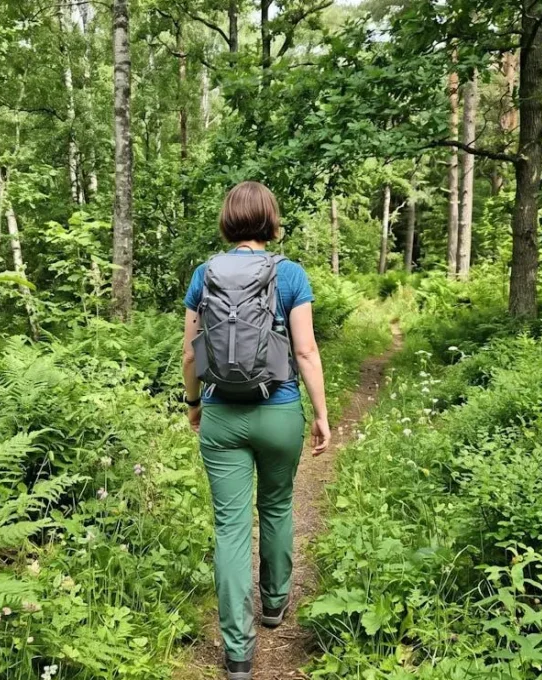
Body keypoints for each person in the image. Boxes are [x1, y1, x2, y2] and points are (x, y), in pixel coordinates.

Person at [181, 181, 331, 679]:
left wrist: (194, 404)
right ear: (271, 220)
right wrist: (322, 415)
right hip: (279, 409)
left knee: (229, 528)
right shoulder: (289, 275)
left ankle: (238, 654)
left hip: (222, 414)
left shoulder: (205, 274)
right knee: (277, 506)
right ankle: (273, 605)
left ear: (228, 221)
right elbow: (305, 352)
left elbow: (190, 352)